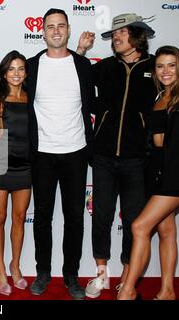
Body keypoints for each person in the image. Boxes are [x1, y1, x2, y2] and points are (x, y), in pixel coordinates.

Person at [80, 13, 157, 299]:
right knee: (101, 217)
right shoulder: (106, 68)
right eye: (114, 34)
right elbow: (82, 89)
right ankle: (101, 275)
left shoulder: (154, 67)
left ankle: (128, 277)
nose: (116, 37)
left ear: (137, 36)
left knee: (134, 221)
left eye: (122, 32)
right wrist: (82, 52)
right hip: (102, 156)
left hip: (138, 159)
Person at [26, 8, 94, 300]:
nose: (56, 31)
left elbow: (91, 105)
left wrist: (81, 50)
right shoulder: (30, 66)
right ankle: (43, 272)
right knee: (42, 217)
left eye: (61, 26)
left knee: (74, 218)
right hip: (42, 153)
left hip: (76, 152)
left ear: (68, 29)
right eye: (50, 26)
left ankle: (72, 275)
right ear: (42, 32)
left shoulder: (83, 64)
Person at [118, 46, 179, 300]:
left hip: (174, 175)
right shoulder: (160, 96)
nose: (166, 71)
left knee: (140, 227)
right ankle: (166, 291)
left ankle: (128, 291)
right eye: (161, 66)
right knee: (166, 231)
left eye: (172, 65)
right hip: (155, 171)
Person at [0, 50, 31, 296]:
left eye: (20, 69)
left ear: (25, 72)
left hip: (26, 165)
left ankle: (15, 265)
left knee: (20, 217)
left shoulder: (31, 98)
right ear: (4, 73)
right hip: (2, 167)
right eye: (11, 69)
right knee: (0, 218)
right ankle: (0, 268)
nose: (16, 73)